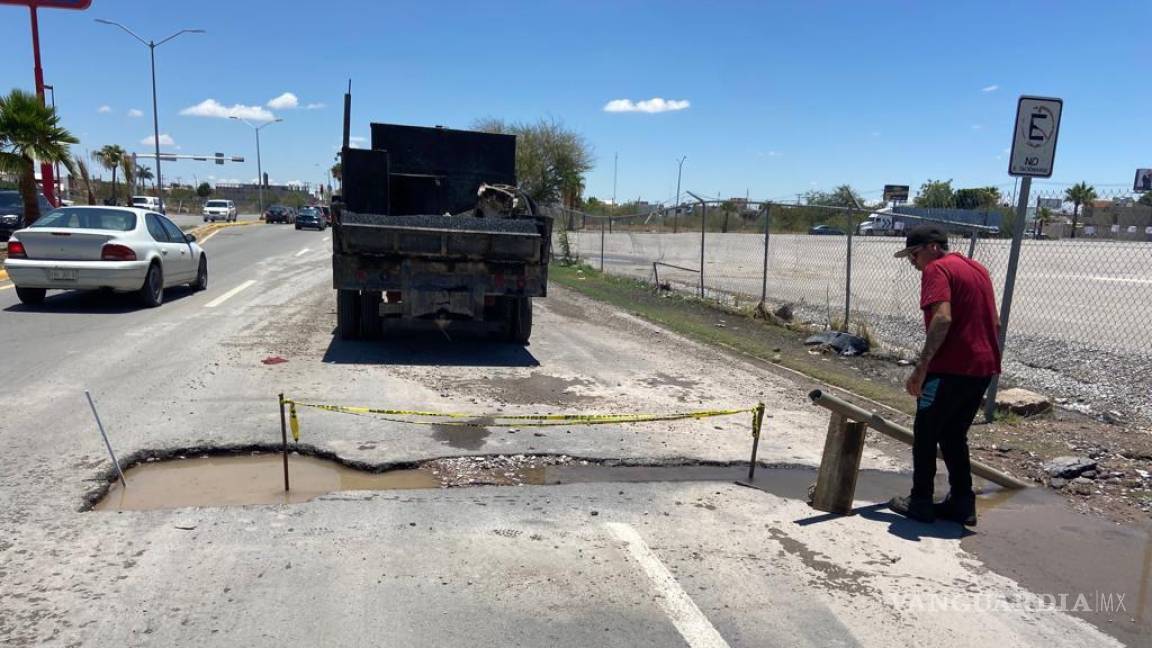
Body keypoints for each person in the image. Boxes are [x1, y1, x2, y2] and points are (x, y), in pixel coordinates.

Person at [889, 225, 1001, 525]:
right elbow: (995, 322)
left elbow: (943, 317)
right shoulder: (977, 269)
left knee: (926, 434)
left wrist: (921, 368)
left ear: (933, 248)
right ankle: (963, 503)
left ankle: (921, 500)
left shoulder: (936, 269)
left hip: (949, 369)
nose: (914, 262)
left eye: (914, 254)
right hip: (982, 368)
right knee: (953, 435)